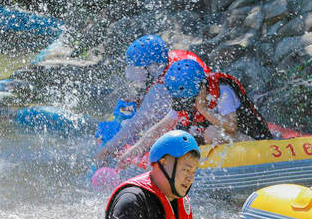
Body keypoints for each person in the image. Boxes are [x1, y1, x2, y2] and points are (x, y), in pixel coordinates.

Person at [116, 59, 271, 166]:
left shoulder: (223, 91)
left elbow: (231, 126)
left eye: (187, 100)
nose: (184, 105)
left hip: (253, 141)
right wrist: (132, 152)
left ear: (199, 90)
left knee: (210, 132)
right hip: (225, 141)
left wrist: (203, 109)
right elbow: (160, 128)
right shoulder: (186, 96)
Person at [94, 130, 211, 219]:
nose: (190, 178)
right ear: (163, 163)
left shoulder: (181, 203)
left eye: (193, 172)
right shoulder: (132, 197)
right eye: (185, 170)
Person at [94, 35, 207, 164]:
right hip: (194, 109)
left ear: (153, 67)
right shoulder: (172, 60)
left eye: (137, 69)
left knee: (136, 126)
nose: (132, 73)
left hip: (197, 123)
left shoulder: (162, 87)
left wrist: (108, 148)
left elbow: (137, 124)